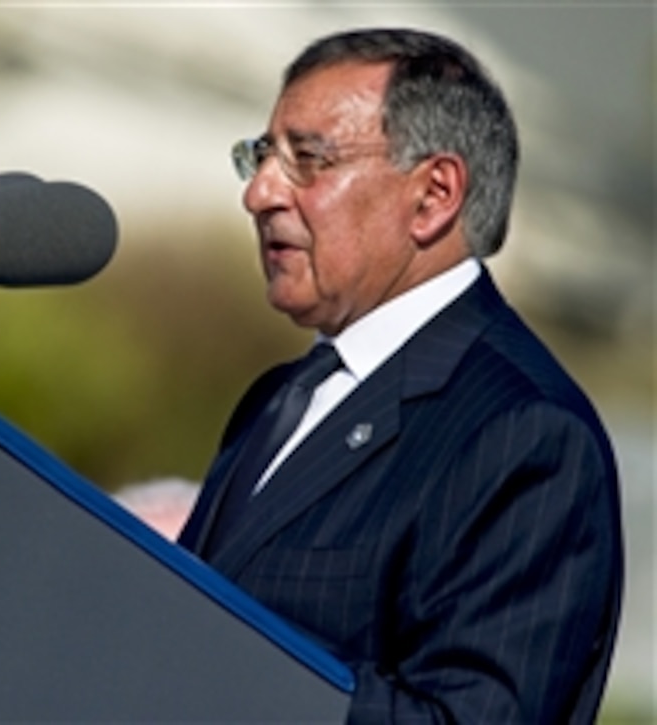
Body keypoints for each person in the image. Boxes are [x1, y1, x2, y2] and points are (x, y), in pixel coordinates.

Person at [177, 28, 622, 723]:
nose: (260, 193)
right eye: (262, 157)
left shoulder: (523, 434)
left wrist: (232, 681)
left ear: (433, 195)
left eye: (308, 160)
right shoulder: (278, 399)